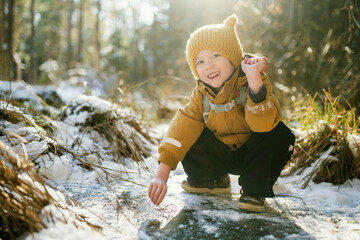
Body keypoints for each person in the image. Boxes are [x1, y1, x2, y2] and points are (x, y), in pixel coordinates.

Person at [148, 14, 295, 212]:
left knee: (279, 134)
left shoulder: (252, 80)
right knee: (188, 133)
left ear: (233, 57)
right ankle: (213, 180)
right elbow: (179, 131)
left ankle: (254, 191)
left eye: (215, 55)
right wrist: (161, 175)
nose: (208, 65)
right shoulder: (201, 94)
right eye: (199, 61)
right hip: (221, 154)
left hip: (253, 155)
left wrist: (254, 82)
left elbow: (264, 125)